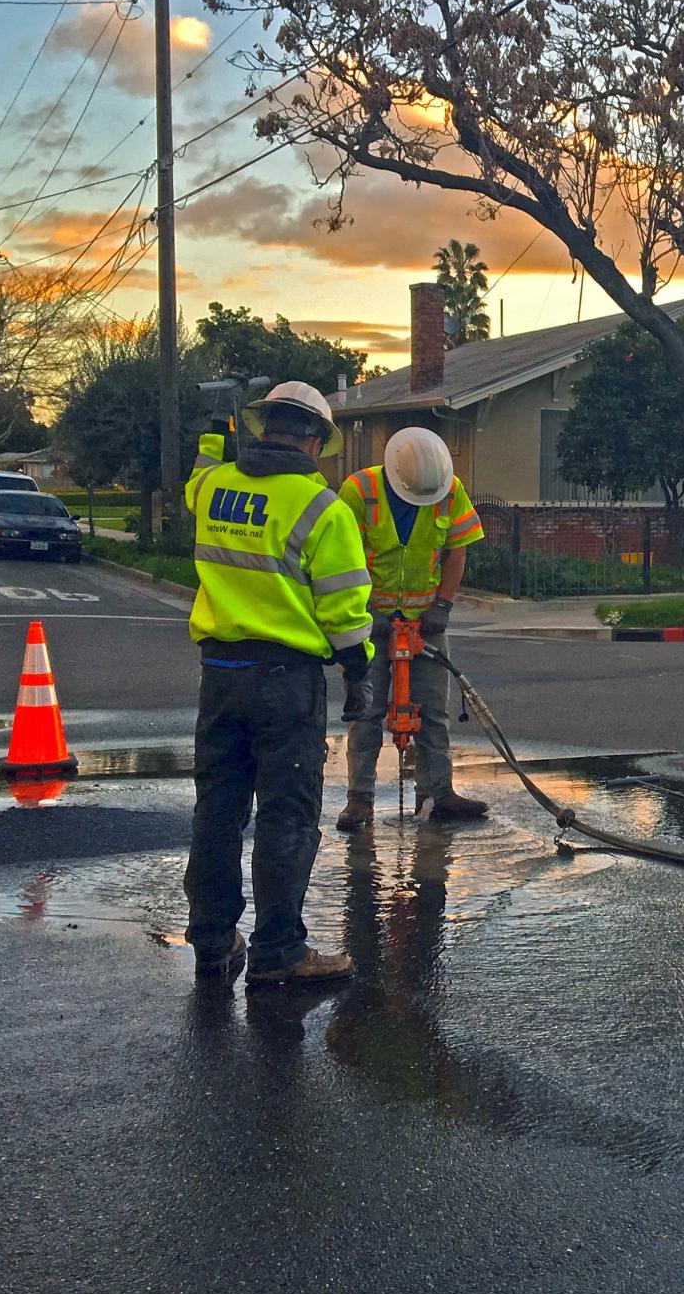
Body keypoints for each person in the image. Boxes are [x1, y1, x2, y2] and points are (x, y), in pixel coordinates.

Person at [184, 381, 376, 986]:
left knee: (217, 810)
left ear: (264, 426)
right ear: (317, 440)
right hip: (286, 682)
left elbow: (196, 481)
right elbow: (345, 612)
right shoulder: (323, 509)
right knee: (286, 817)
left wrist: (214, 430)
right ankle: (279, 951)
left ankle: (213, 941)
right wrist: (358, 672)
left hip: (220, 675)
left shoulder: (215, 487)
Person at [334, 426, 490, 831]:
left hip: (426, 622)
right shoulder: (359, 490)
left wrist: (443, 603)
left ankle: (438, 794)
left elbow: (457, 549)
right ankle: (359, 801)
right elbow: (341, 557)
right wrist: (367, 610)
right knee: (367, 712)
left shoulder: (449, 489)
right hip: (372, 622)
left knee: (432, 711)